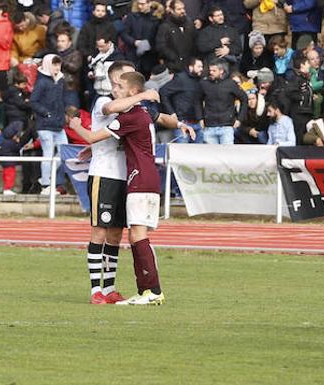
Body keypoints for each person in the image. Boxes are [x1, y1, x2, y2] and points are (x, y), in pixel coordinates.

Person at [69, 70, 193, 305]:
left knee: (130, 235)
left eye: (120, 84)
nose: (114, 87)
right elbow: (109, 111)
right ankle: (102, 290)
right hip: (109, 175)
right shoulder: (108, 102)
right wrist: (144, 96)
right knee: (107, 233)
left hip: (136, 178)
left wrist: (76, 125)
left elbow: (95, 135)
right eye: (114, 82)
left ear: (131, 89)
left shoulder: (134, 113)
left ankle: (147, 290)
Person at [29, 54, 66, 195]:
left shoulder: (60, 80)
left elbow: (62, 100)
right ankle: (45, 184)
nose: (57, 67)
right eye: (54, 64)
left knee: (64, 154)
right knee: (48, 154)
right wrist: (46, 113)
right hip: (45, 125)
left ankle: (45, 178)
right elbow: (33, 101)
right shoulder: (42, 82)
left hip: (58, 124)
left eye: (58, 64)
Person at [199, 58, 247, 144]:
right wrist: (200, 118)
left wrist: (240, 119)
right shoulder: (204, 84)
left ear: (221, 71)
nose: (211, 72)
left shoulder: (231, 84)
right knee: (210, 156)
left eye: (214, 70)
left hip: (227, 127)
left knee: (227, 155)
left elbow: (244, 99)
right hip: (209, 126)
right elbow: (197, 100)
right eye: (210, 70)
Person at [160, 57, 204, 143]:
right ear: (191, 67)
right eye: (199, 66)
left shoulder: (200, 80)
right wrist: (171, 112)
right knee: (183, 152)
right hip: (183, 121)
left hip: (197, 122)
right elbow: (163, 92)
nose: (201, 69)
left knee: (199, 152)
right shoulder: (181, 78)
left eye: (202, 67)